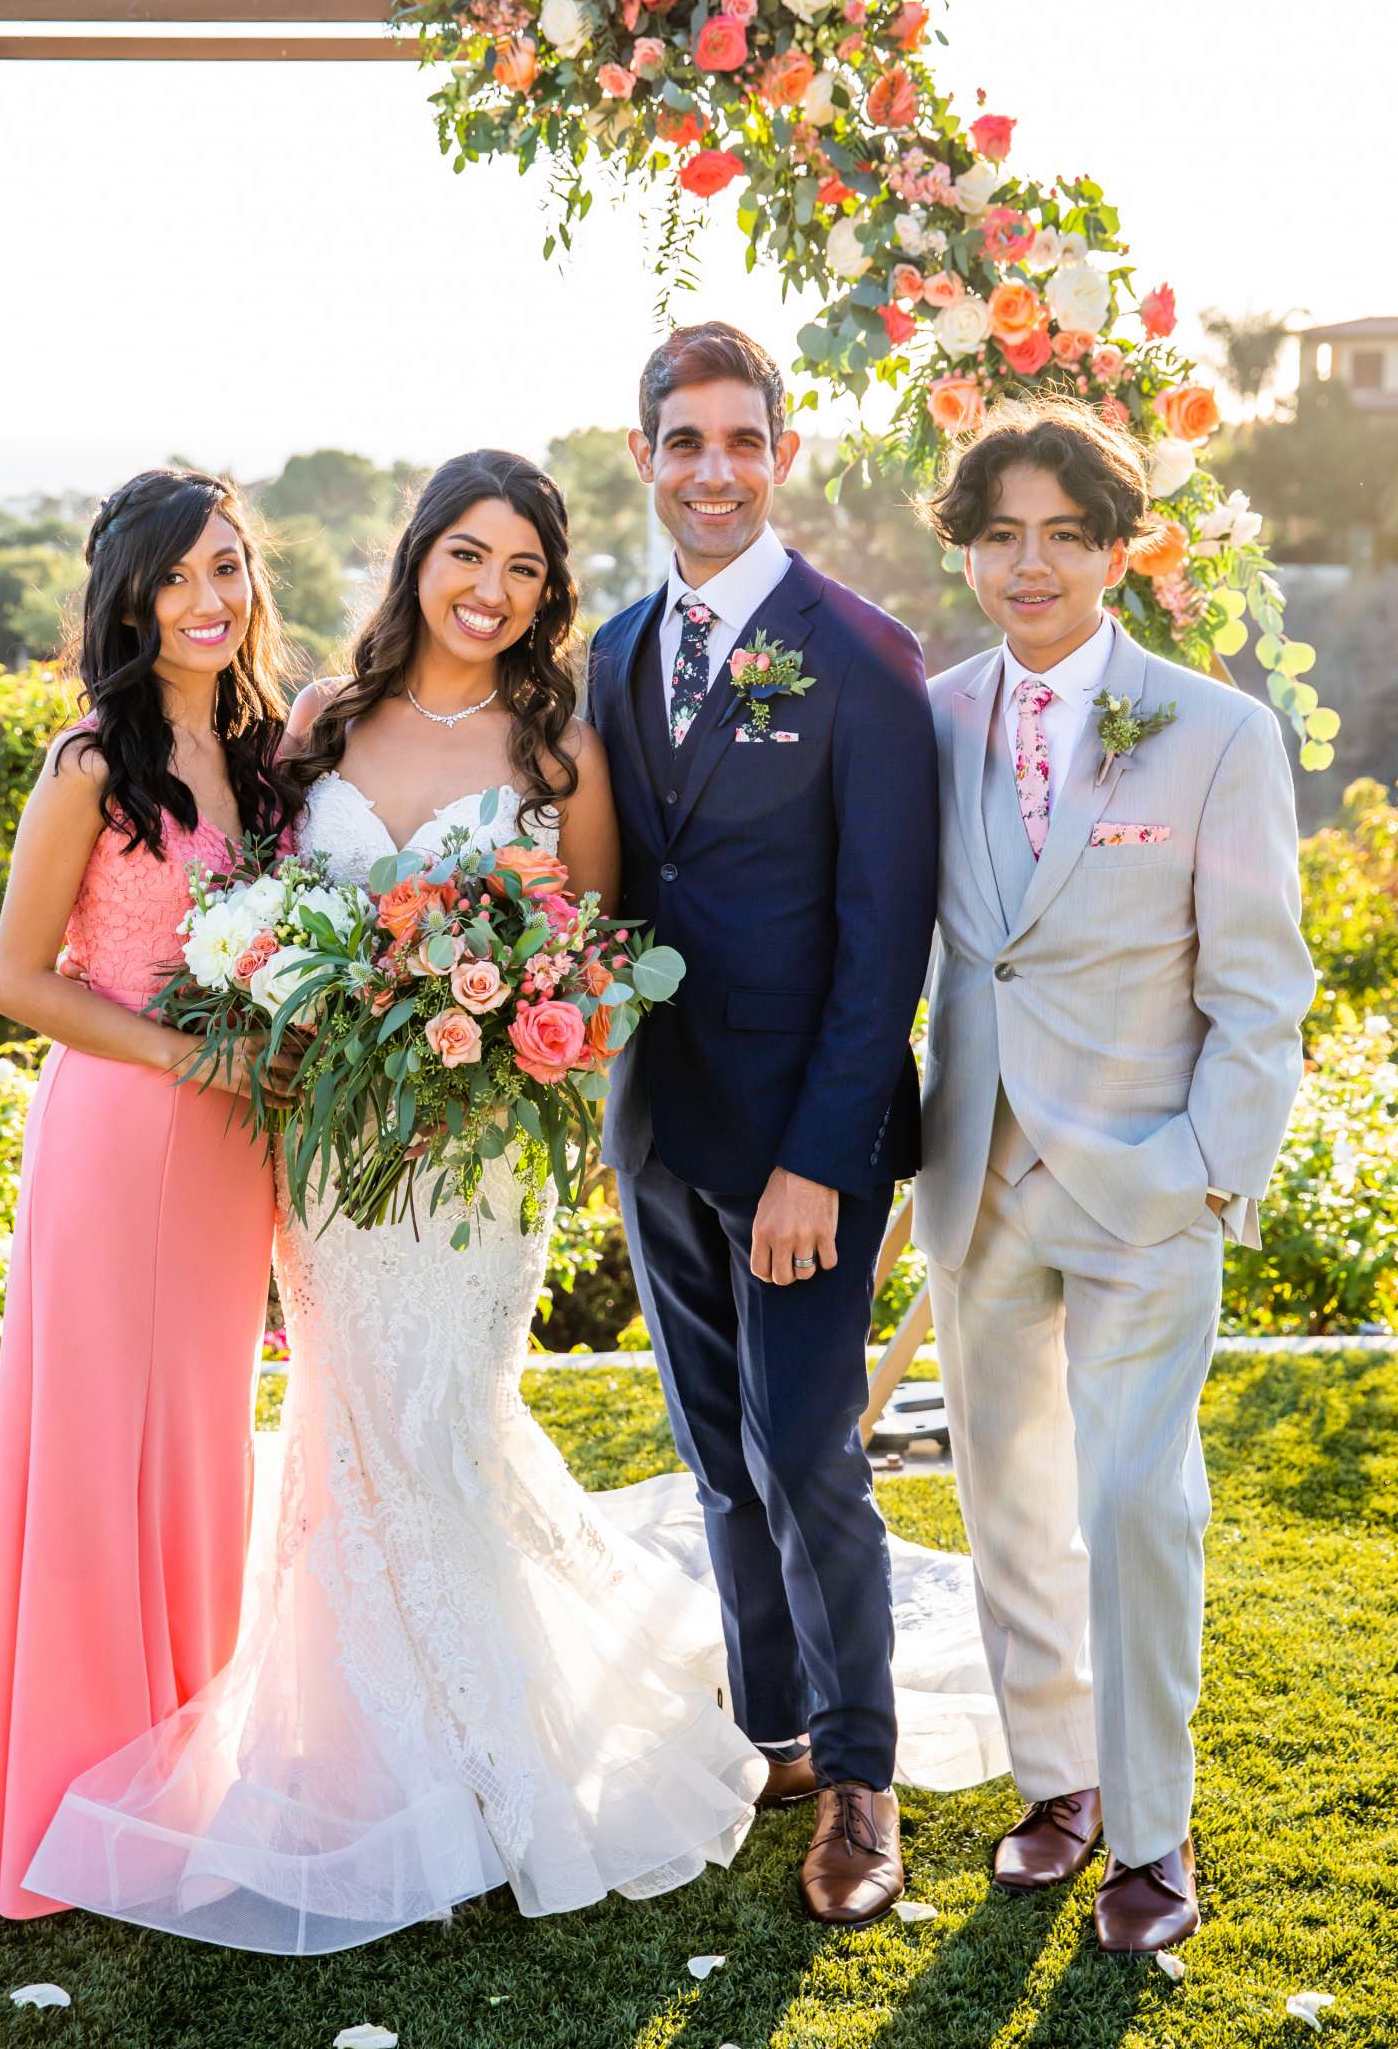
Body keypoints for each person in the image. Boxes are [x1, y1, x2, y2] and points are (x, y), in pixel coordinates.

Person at [17, 449, 772, 1952]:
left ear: (549, 594)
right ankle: (361, 1752)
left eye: (524, 569)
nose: (490, 592)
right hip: (335, 1157)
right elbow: (258, 916)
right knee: (350, 1434)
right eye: (466, 557)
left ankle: (496, 1756)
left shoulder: (562, 754)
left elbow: (604, 962)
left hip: (478, 1161)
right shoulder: (320, 726)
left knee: (442, 1422)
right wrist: (340, 1026)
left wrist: (516, 1041)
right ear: (417, 558)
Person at [915, 400, 1314, 1953]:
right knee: (1006, 1503)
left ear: (1118, 551)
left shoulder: (1215, 733)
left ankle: (1154, 1831)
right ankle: (1059, 1783)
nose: (1032, 565)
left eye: (1065, 535)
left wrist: (1214, 1171)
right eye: (1001, 535)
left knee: (1139, 1503)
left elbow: (1261, 989)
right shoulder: (928, 718)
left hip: (1151, 1180)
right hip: (975, 1176)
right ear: (966, 552)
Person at [0, 469, 303, 1919]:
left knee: (200, 1443)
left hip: (234, 1150)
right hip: (125, 1128)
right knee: (93, 1451)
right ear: (129, 597)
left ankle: (179, 1767)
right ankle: (63, 1794)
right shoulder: (88, 761)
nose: (209, 601)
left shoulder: (270, 757)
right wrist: (190, 1056)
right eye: (178, 577)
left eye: (229, 569)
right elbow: (18, 981)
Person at [586, 321, 941, 1927]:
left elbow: (886, 947)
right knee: (718, 1457)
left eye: (743, 441)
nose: (713, 471)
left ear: (780, 455)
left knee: (807, 1452)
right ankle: (774, 1730)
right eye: (684, 442)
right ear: (647, 457)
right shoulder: (609, 653)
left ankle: (863, 1781)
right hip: (659, 1128)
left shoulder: (864, 656)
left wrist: (820, 1157)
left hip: (808, 1142)